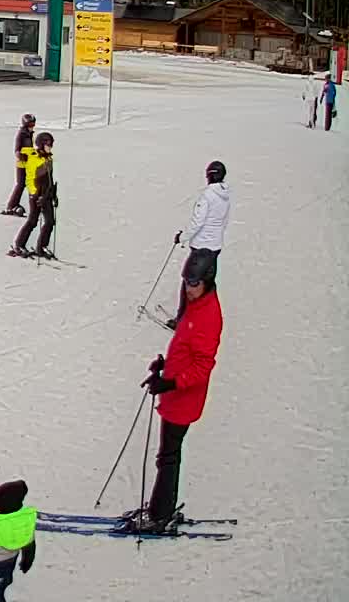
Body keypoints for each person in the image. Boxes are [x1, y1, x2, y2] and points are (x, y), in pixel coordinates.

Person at [125, 265, 224, 534]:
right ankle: (161, 507)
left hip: (184, 399)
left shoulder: (208, 315)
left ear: (206, 282)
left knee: (168, 455)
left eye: (194, 283)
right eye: (186, 282)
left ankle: (161, 514)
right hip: (175, 394)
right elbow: (186, 349)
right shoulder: (197, 305)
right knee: (168, 454)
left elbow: (203, 366)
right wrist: (165, 365)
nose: (189, 288)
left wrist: (170, 382)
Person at [168, 160, 229, 329]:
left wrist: (182, 238)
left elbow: (197, 223)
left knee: (190, 283)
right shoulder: (225, 197)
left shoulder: (208, 196)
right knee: (207, 286)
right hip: (215, 248)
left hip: (202, 248)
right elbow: (224, 221)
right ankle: (202, 320)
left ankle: (183, 323)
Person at [10, 132, 57, 258]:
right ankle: (19, 244)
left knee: (50, 222)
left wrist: (52, 194)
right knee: (32, 221)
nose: (50, 147)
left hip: (46, 195)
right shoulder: (34, 159)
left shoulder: (48, 158)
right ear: (41, 144)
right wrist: (35, 194)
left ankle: (41, 246)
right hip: (36, 196)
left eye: (51, 145)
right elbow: (31, 179)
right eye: (48, 144)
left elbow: (49, 178)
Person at [2, 113, 36, 215]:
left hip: (29, 163)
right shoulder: (21, 134)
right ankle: (11, 206)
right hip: (21, 164)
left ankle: (16, 204)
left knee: (29, 184)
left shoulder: (30, 134)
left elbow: (30, 149)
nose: (32, 127)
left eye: (33, 125)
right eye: (30, 125)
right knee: (20, 184)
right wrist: (24, 157)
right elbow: (17, 151)